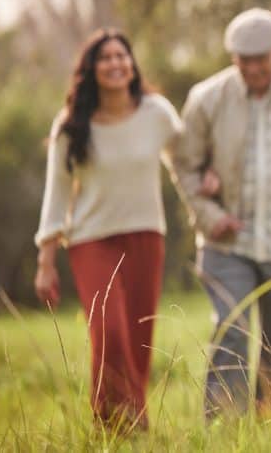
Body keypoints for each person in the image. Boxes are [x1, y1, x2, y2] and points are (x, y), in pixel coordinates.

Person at [174, 8, 271, 419]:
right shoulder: (206, 99)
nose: (253, 68)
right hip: (228, 243)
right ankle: (226, 429)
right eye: (244, 61)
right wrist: (210, 216)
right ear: (233, 59)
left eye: (261, 59)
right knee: (230, 332)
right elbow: (185, 167)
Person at [33, 29, 182, 430]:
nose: (115, 64)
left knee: (138, 335)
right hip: (90, 240)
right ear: (91, 70)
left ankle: (121, 427)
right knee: (110, 331)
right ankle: (125, 422)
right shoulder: (71, 125)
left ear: (132, 65)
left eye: (122, 56)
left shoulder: (156, 113)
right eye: (105, 58)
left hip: (146, 236)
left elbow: (186, 158)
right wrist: (45, 261)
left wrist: (207, 184)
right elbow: (56, 195)